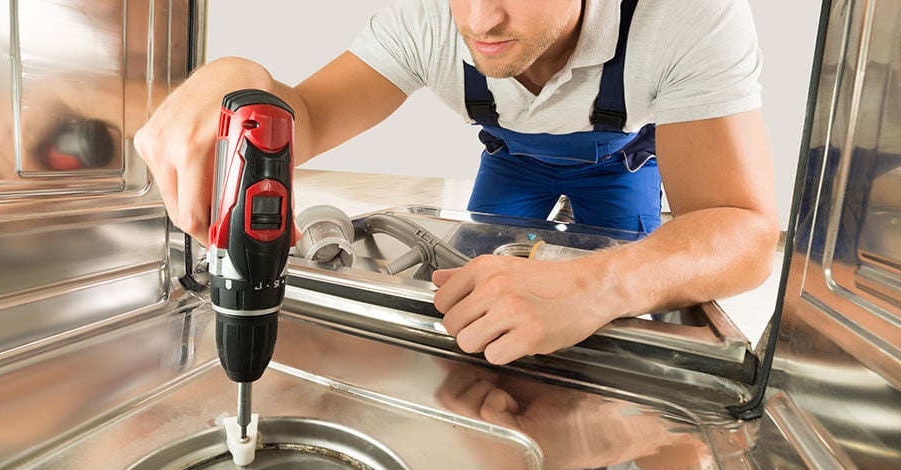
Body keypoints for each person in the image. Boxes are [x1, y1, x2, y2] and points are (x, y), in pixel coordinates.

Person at [134, 0, 780, 366]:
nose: (478, 18)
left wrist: (599, 284)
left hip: (621, 162)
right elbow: (303, 114)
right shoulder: (427, 20)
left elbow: (744, 230)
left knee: (625, 316)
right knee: (475, 305)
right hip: (513, 158)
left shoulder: (690, 15)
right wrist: (241, 80)